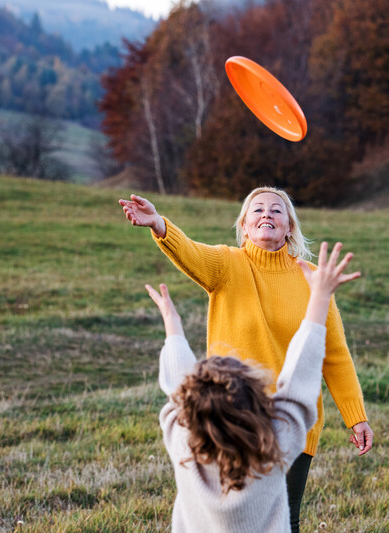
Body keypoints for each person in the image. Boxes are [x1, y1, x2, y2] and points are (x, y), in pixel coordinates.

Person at [120, 187, 374, 532]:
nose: (267, 214)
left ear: (289, 227)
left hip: (289, 420)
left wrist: (356, 416)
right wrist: (159, 224)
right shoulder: (227, 264)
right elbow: (190, 252)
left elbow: (335, 354)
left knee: (283, 519)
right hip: (229, 416)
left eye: (277, 210)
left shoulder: (313, 278)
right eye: (257, 209)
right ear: (244, 225)